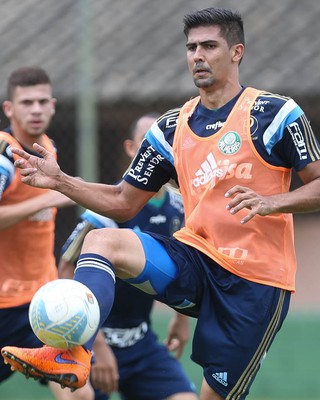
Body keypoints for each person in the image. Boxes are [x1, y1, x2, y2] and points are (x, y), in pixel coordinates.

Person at [3, 7, 320, 400]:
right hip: (197, 260)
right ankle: (70, 352)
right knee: (102, 241)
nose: (197, 56)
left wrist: (273, 202)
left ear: (237, 52)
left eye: (209, 46)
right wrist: (62, 181)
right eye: (191, 48)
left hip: (255, 284)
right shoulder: (171, 127)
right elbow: (121, 202)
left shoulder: (275, 114)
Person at [59, 113, 197, 399]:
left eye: (169, 145)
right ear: (131, 149)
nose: (159, 152)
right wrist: (95, 345)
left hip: (140, 340)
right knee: (79, 396)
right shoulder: (107, 208)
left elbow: (187, 263)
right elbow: (64, 270)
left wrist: (181, 318)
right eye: (148, 143)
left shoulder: (179, 207)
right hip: (94, 341)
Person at [0, 66, 90, 400]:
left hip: (42, 302)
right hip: (3, 302)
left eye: (41, 102)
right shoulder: (4, 155)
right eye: (26, 102)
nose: (35, 109)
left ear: (53, 105)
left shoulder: (47, 149)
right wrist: (52, 197)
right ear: (10, 109)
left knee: (80, 390)